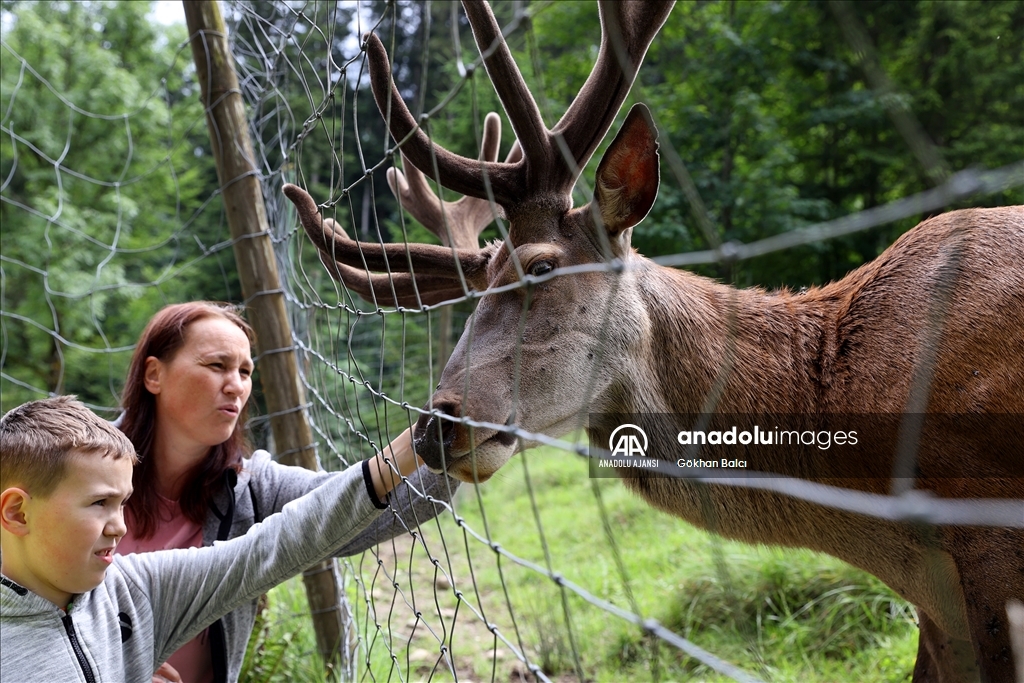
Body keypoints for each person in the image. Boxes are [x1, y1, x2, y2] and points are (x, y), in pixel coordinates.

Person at [114, 301, 457, 683]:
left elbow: (353, 512)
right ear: (154, 374)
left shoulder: (252, 487)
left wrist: (456, 439)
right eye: (217, 365)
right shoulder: (79, 466)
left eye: (245, 371)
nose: (236, 386)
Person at [0, 395, 421, 682]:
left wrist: (416, 447)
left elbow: (270, 548)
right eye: (99, 503)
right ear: (17, 512)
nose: (120, 527)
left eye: (122, 503)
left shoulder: (136, 589)